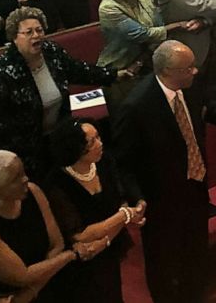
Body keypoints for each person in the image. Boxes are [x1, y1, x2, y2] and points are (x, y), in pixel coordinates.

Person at [113, 40, 216, 303]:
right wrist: (136, 198)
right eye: (188, 68)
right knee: (163, 264)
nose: (196, 71)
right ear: (168, 71)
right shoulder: (136, 107)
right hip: (161, 200)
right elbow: (124, 163)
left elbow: (213, 111)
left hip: (195, 189)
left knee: (196, 255)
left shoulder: (190, 86)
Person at [0, 6, 115, 175]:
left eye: (39, 30)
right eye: (28, 32)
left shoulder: (51, 51)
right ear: (14, 37)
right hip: (23, 146)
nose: (36, 35)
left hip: (57, 135)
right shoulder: (6, 69)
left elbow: (79, 70)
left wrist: (114, 74)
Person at [44, 119, 145, 303]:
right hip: (80, 264)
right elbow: (80, 236)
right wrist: (125, 216)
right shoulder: (57, 184)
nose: (100, 144)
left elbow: (119, 201)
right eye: (91, 142)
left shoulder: (104, 162)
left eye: (98, 137)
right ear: (75, 149)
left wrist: (106, 240)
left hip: (107, 248)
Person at [0, 150, 77, 302]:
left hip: (39, 290)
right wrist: (70, 255)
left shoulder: (33, 191)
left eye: (23, 172)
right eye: (16, 178)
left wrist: (31, 291)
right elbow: (22, 276)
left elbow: (57, 244)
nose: (25, 179)